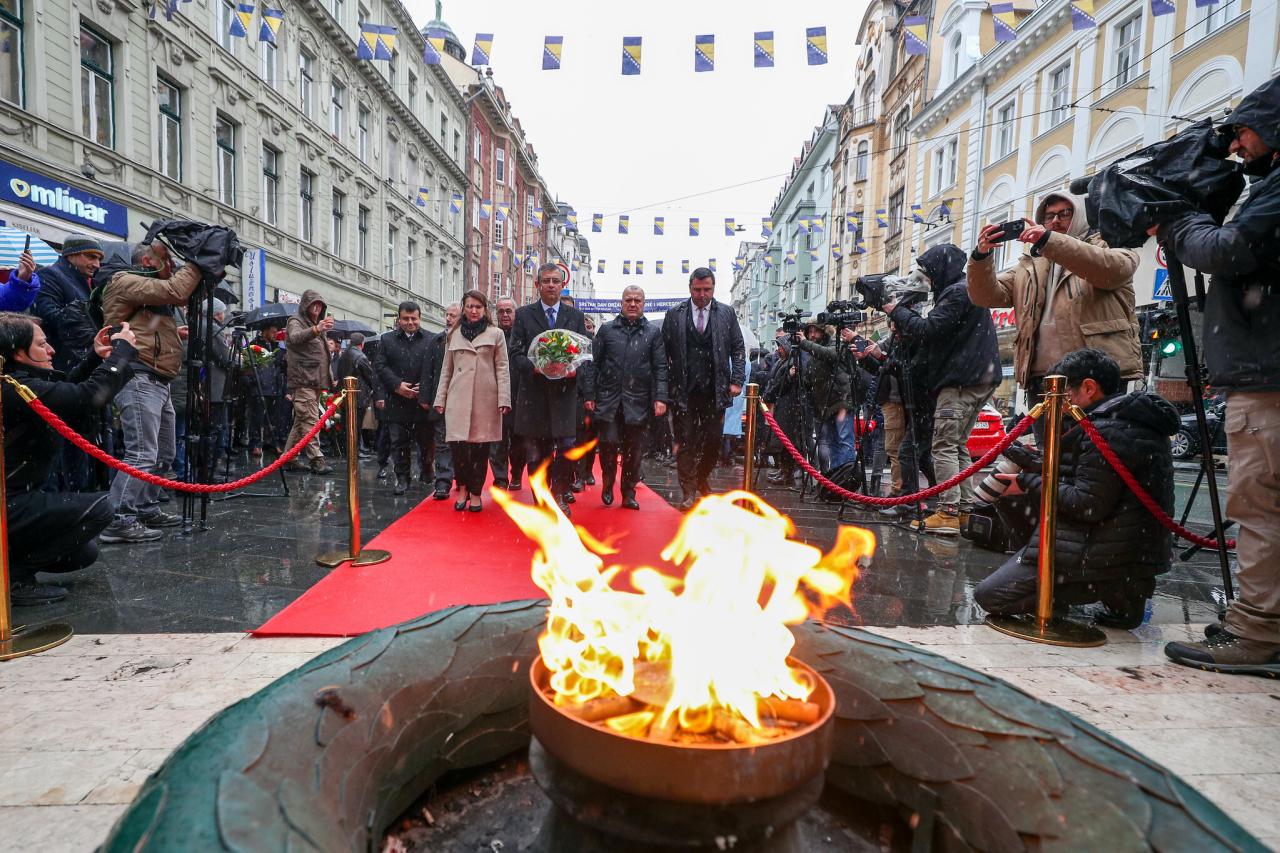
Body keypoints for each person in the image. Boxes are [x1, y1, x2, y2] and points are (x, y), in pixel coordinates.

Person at [1157, 74, 1280, 675]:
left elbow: (1229, 250)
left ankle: (1258, 634)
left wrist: (1178, 225)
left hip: (1269, 378)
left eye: (1244, 131)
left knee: (1260, 508)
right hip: (1263, 371)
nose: (1236, 146)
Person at [974, 349, 1177, 627]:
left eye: (1060, 395)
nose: (1055, 403)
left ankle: (1058, 592)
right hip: (1132, 552)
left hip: (1105, 553)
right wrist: (1032, 461)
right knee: (1019, 492)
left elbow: (1087, 503)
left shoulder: (1106, 430)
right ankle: (1123, 594)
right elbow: (1083, 475)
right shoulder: (1120, 420)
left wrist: (1025, 482)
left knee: (990, 597)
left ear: (1088, 388)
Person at [967, 188, 1143, 438]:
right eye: (1049, 216)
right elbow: (984, 295)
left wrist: (1048, 240)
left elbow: (1112, 269)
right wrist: (981, 255)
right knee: (1048, 459)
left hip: (1092, 378)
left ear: (1080, 215)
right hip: (1043, 379)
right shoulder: (1030, 263)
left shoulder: (1109, 243)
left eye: (1064, 213)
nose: (1055, 221)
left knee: (1092, 455)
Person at [0, 313, 137, 605]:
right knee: (102, 507)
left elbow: (65, 398)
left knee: (83, 552)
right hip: (8, 503)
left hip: (15, 499)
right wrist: (123, 351)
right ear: (17, 352)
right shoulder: (12, 390)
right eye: (42, 344)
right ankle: (14, 578)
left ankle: (11, 563)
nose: (51, 350)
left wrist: (94, 359)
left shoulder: (15, 384)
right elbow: (86, 397)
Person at [883, 244, 1001, 534]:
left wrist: (894, 309)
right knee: (957, 445)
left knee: (944, 447)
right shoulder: (965, 289)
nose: (928, 281)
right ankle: (962, 509)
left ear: (941, 271)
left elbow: (927, 330)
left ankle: (948, 512)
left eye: (930, 274)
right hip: (976, 376)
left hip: (959, 378)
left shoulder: (957, 292)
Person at [99, 241, 204, 543]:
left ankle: (144, 505)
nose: (171, 266)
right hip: (138, 374)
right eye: (167, 259)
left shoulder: (148, 296)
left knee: (164, 453)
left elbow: (170, 302)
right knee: (142, 453)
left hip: (157, 379)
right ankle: (118, 518)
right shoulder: (124, 280)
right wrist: (197, 264)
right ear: (147, 260)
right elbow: (177, 290)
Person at [509, 263, 591, 515]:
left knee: (567, 449)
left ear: (562, 285)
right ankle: (541, 498)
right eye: (546, 281)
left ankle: (558, 495)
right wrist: (537, 368)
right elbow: (516, 354)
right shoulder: (523, 315)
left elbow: (586, 354)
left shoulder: (575, 317)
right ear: (537, 285)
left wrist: (574, 370)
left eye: (556, 281)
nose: (551, 285)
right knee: (536, 454)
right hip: (534, 396)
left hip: (565, 396)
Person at [662, 267, 745, 510]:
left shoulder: (726, 314)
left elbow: (738, 349)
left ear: (713, 288)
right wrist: (665, 387)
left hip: (715, 391)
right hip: (683, 392)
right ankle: (688, 490)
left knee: (713, 443)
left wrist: (736, 380)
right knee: (685, 442)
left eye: (706, 289)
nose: (702, 294)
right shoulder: (675, 314)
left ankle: (700, 477)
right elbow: (663, 353)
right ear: (690, 288)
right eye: (697, 290)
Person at [432, 290, 510, 512]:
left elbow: (502, 368)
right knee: (458, 449)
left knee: (479, 451)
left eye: (478, 306)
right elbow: (446, 370)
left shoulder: (496, 334)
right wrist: (441, 398)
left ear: (485, 309)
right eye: (469, 306)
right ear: (463, 308)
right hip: (458, 398)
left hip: (485, 399)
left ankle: (476, 492)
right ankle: (463, 487)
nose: (473, 310)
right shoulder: (453, 334)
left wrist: (504, 398)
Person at [593, 286, 668, 509]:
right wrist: (590, 394)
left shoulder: (653, 333)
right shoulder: (606, 330)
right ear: (621, 303)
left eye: (637, 300)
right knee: (608, 444)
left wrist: (661, 397)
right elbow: (593, 364)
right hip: (609, 400)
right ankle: (608, 483)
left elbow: (660, 367)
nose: (632, 304)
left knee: (634, 451)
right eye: (628, 300)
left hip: (638, 401)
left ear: (643, 304)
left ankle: (628, 492)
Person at [374, 301, 432, 496]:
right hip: (396, 400)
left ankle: (426, 472)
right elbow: (380, 366)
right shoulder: (387, 340)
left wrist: (423, 386)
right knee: (398, 443)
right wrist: (397, 385)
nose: (410, 322)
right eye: (406, 319)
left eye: (414, 318)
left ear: (419, 318)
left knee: (425, 442)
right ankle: (402, 478)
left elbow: (435, 368)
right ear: (399, 319)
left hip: (421, 401)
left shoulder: (430, 340)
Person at [794, 322, 859, 473]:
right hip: (825, 405)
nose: (811, 336)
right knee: (833, 443)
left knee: (844, 441)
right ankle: (838, 477)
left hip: (841, 402)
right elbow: (810, 382)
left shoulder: (835, 343)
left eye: (814, 332)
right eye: (809, 332)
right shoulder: (813, 355)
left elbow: (830, 354)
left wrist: (804, 343)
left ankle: (848, 477)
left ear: (823, 331)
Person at [283, 290, 335, 475]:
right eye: (313, 304)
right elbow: (296, 338)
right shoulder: (295, 321)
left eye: (319, 305)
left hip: (313, 381)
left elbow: (322, 355)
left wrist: (328, 380)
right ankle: (316, 459)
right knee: (310, 421)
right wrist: (317, 329)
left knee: (301, 422)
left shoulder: (315, 324)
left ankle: (288, 459)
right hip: (304, 380)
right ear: (305, 305)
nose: (317, 308)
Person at [417, 302, 459, 499]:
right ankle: (442, 482)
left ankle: (461, 476)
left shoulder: (468, 339)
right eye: (447, 314)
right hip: (440, 399)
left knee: (461, 442)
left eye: (453, 315)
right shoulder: (437, 341)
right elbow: (428, 371)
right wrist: (425, 397)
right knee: (441, 442)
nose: (449, 318)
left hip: (461, 400)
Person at [488, 296, 525, 490]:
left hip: (520, 396)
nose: (504, 315)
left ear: (515, 313)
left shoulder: (522, 334)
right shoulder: (491, 335)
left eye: (508, 311)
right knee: (497, 441)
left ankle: (517, 473)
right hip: (495, 397)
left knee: (519, 442)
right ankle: (500, 478)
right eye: (500, 311)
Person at [242, 322, 287, 458]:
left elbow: (281, 366)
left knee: (274, 418)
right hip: (260, 386)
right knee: (257, 417)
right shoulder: (254, 344)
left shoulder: (277, 346)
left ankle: (273, 442)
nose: (275, 334)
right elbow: (246, 365)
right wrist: (251, 382)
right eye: (272, 332)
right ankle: (255, 444)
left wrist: (283, 352)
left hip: (274, 386)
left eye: (276, 332)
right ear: (265, 331)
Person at [335, 331, 375, 452]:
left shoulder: (343, 355)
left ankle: (345, 449)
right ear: (362, 344)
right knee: (356, 425)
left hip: (344, 394)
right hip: (358, 396)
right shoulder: (360, 357)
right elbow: (370, 376)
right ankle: (354, 450)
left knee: (346, 424)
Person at [573, 315, 599, 492]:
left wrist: (592, 394)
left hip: (593, 398)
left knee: (590, 438)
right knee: (578, 438)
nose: (586, 329)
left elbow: (594, 370)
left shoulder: (595, 344)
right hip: (576, 396)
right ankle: (579, 475)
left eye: (589, 327)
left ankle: (587, 470)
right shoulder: (572, 344)